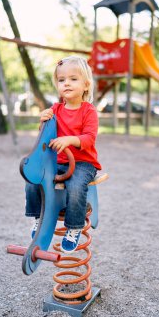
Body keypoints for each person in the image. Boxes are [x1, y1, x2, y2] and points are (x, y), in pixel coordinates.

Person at [25, 56, 101, 254]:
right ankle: (37, 217)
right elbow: (45, 135)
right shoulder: (55, 110)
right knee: (32, 179)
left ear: (86, 85)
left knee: (75, 185)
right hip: (57, 161)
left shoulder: (88, 111)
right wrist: (43, 121)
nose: (66, 83)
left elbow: (88, 139)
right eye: (61, 80)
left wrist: (69, 140)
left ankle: (74, 227)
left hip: (84, 162)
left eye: (73, 79)